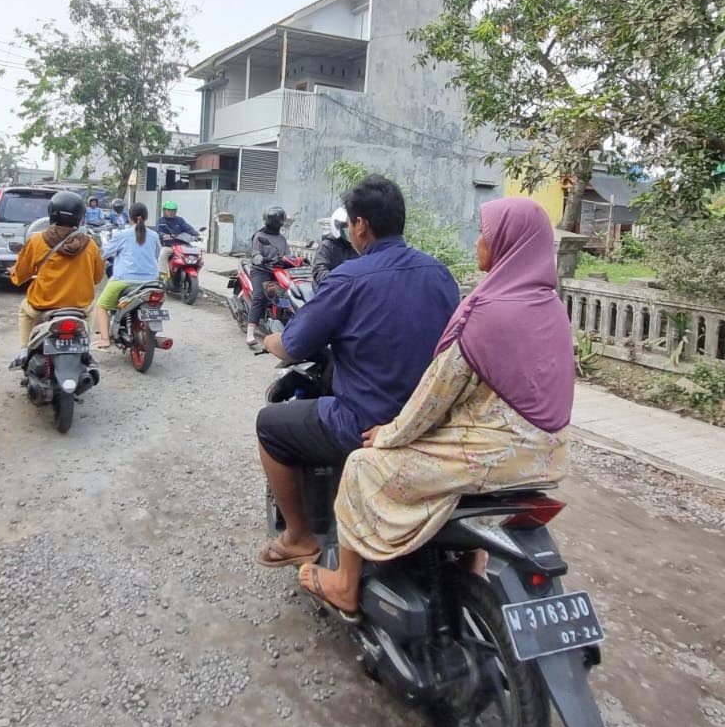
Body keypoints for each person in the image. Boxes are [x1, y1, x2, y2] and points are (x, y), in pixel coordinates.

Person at [296, 197, 575, 614]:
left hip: (491, 455)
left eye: (485, 234)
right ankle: (470, 571)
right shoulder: (550, 307)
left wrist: (386, 435)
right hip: (546, 456)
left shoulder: (486, 310)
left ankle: (344, 584)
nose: (479, 242)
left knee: (360, 465)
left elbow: (434, 395)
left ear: (507, 243)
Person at [254, 175, 460, 567]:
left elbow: (294, 344)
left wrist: (267, 341)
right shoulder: (440, 274)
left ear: (361, 224)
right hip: (430, 420)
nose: (350, 230)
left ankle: (298, 537)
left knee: (270, 424)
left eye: (351, 223)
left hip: (366, 422)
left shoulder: (349, 277)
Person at [9, 190, 103, 344]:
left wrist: (15, 275)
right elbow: (98, 277)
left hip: (42, 307)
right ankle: (85, 349)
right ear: (79, 217)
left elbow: (21, 275)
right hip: (79, 309)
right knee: (92, 307)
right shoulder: (90, 244)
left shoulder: (37, 240)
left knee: (24, 310)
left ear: (51, 213)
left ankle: (24, 351)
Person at [95, 202, 160, 349]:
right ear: (146, 217)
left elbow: (104, 253)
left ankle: (105, 339)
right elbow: (156, 255)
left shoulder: (121, 235)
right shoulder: (154, 235)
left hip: (124, 280)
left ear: (129, 217)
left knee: (101, 306)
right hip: (152, 281)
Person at [244, 205, 291, 347]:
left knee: (289, 294)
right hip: (261, 270)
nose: (277, 223)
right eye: (274, 220)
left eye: (279, 220)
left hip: (278, 271)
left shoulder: (281, 238)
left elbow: (287, 255)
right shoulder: (260, 235)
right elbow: (255, 253)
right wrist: (261, 259)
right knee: (259, 297)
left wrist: (295, 260)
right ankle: (250, 333)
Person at [312, 205, 357, 287]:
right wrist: (336, 281)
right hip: (327, 287)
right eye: (345, 226)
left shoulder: (356, 247)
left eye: (350, 226)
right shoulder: (327, 245)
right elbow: (319, 270)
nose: (349, 229)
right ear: (337, 226)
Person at [156, 199, 198, 278]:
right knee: (162, 254)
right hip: (169, 246)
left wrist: (197, 234)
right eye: (169, 210)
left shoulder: (180, 220)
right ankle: (163, 275)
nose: (171, 212)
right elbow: (158, 231)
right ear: (164, 210)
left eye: (173, 210)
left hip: (181, 246)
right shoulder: (161, 221)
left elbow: (188, 228)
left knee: (194, 253)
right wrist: (163, 235)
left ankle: (191, 270)